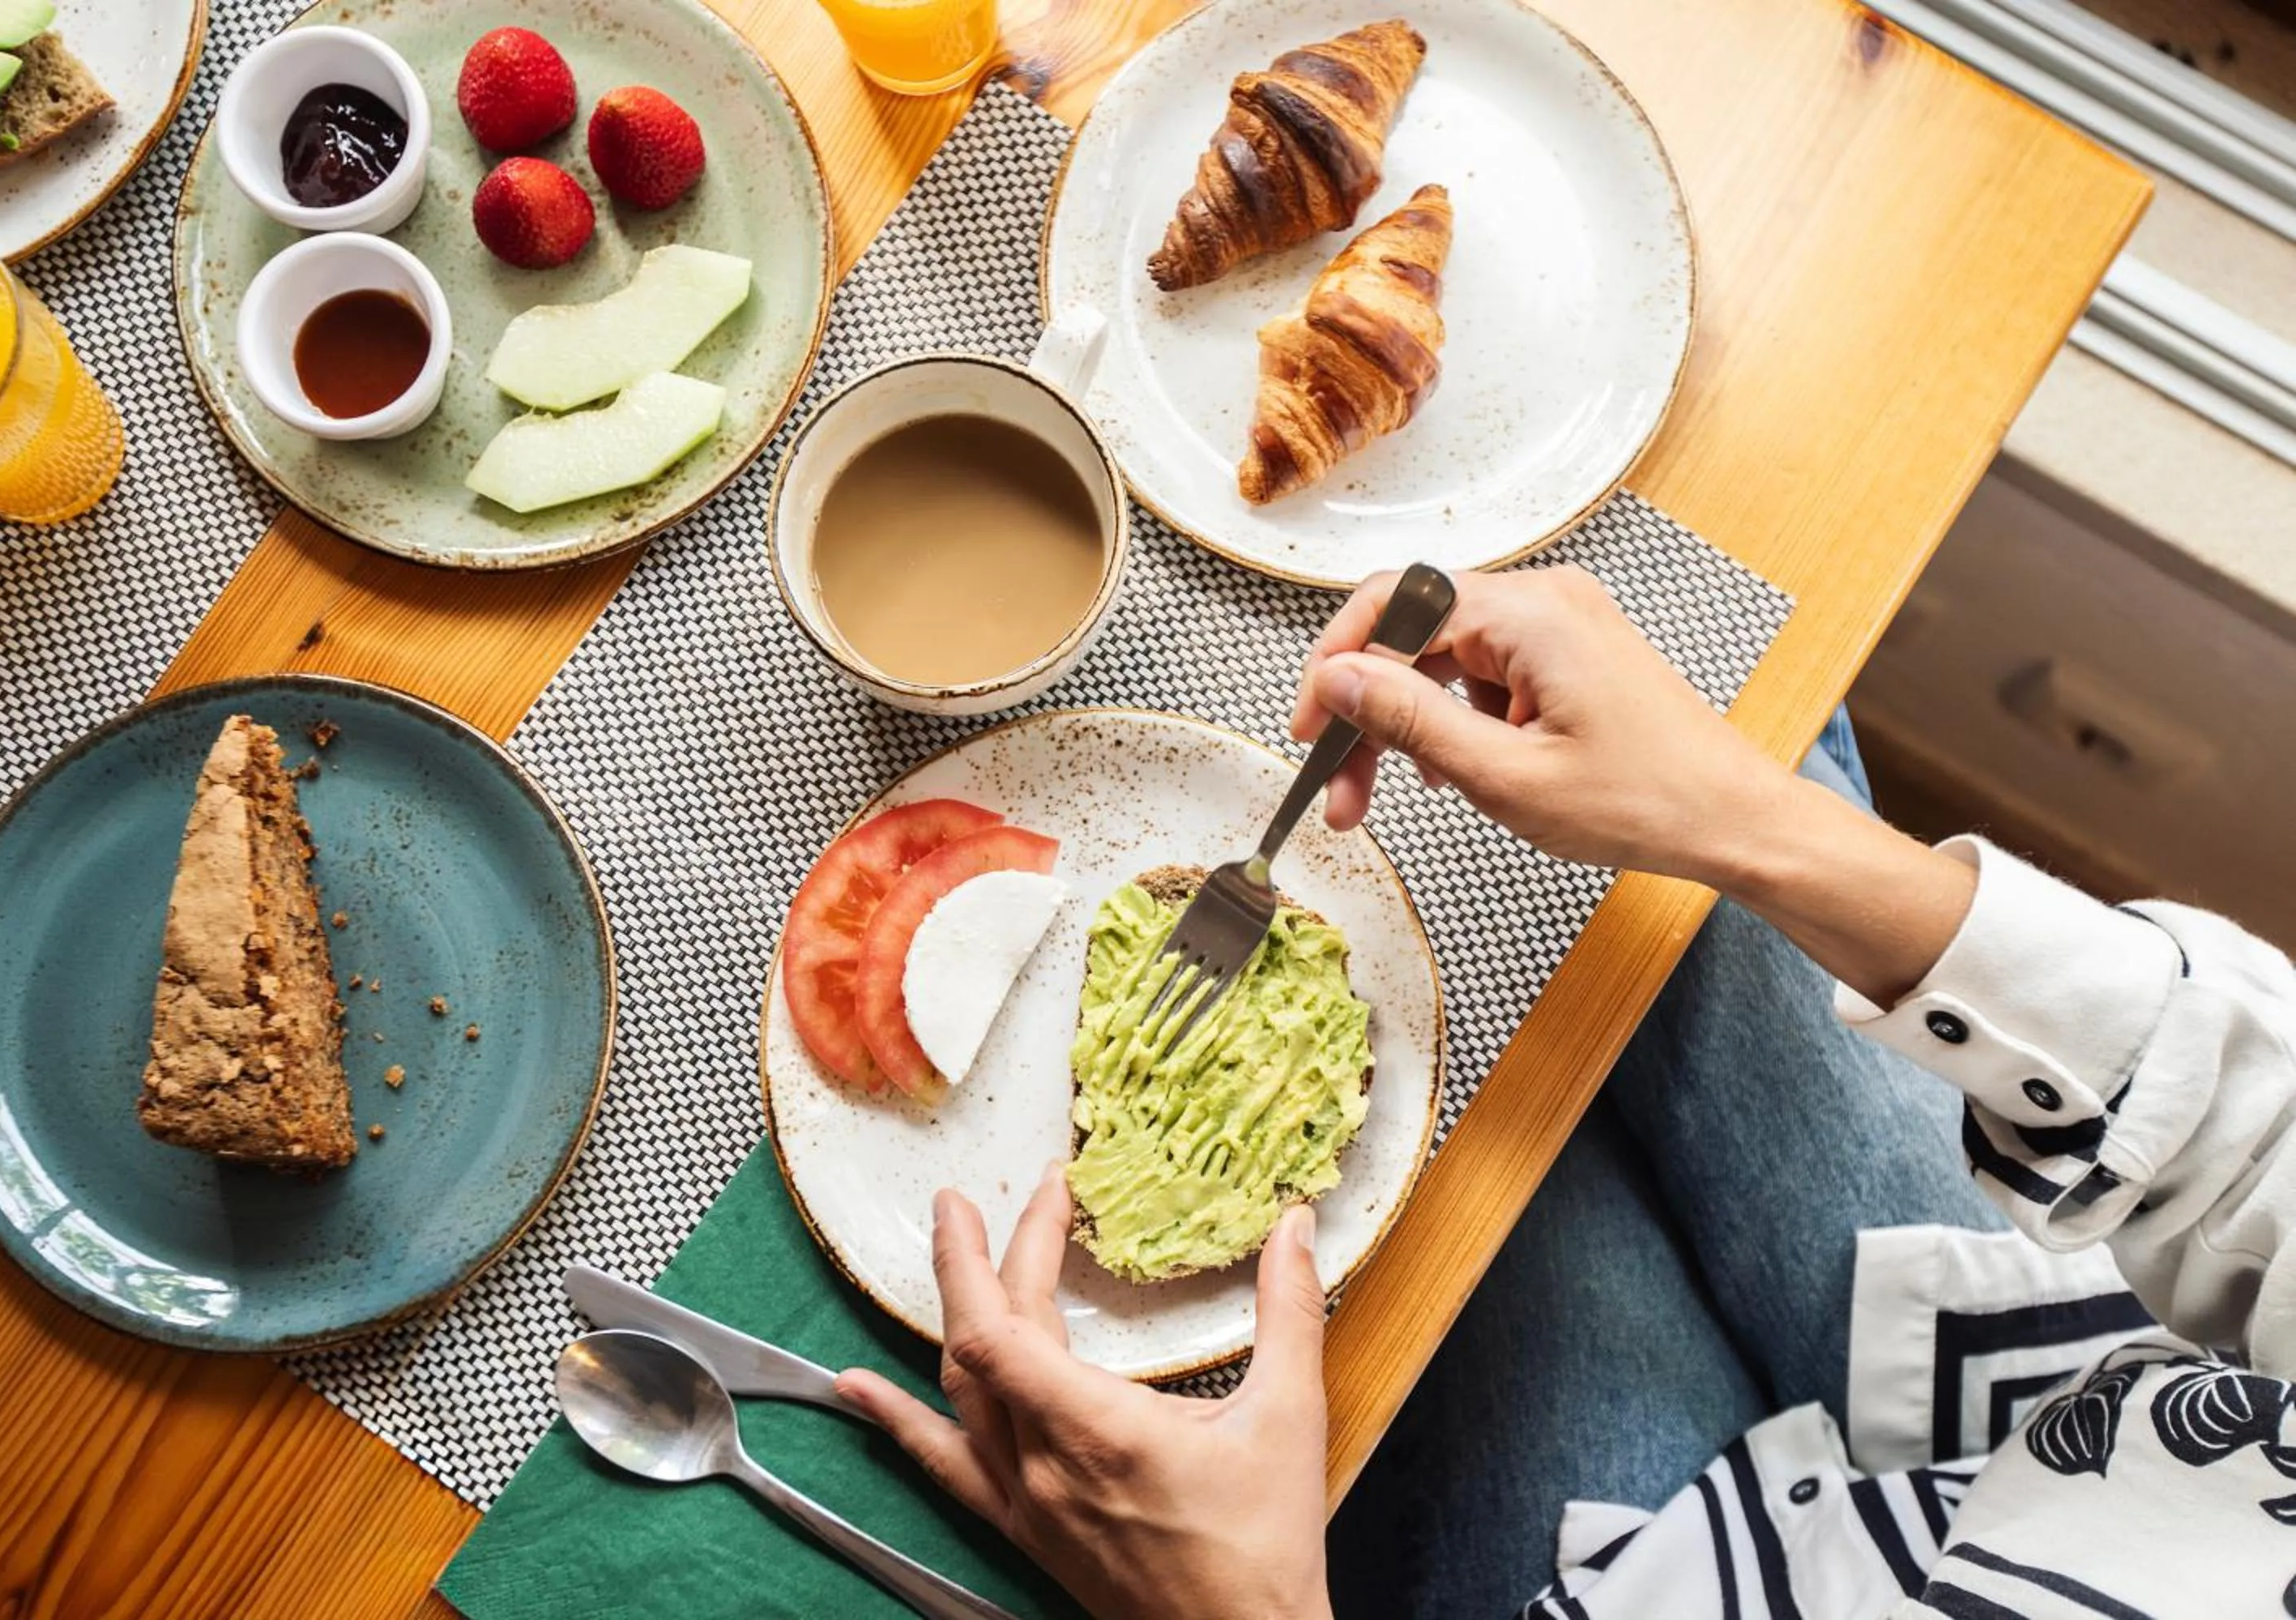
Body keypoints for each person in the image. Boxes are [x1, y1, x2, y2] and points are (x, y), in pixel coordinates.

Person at [834, 565, 2296, 1619]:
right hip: (2058, 1370)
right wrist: (1748, 820)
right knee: (1729, 721)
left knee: (1493, 1117)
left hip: (1660, 1584)